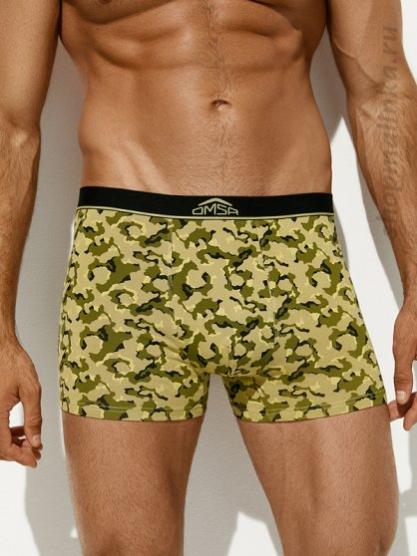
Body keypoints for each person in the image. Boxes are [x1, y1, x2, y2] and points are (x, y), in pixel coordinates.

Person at [0, 1, 416, 554]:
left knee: (353, 545)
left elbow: (383, 90)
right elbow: (11, 125)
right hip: (127, 262)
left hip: (295, 256)